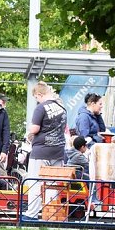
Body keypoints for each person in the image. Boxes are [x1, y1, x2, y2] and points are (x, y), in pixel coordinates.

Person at [26, 82, 67, 218]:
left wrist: (29, 133)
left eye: (36, 98)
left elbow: (35, 129)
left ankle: (31, 214)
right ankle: (50, 214)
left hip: (41, 151)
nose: (37, 100)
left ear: (39, 94)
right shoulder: (62, 107)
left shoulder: (41, 108)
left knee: (35, 183)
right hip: (58, 151)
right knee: (52, 185)